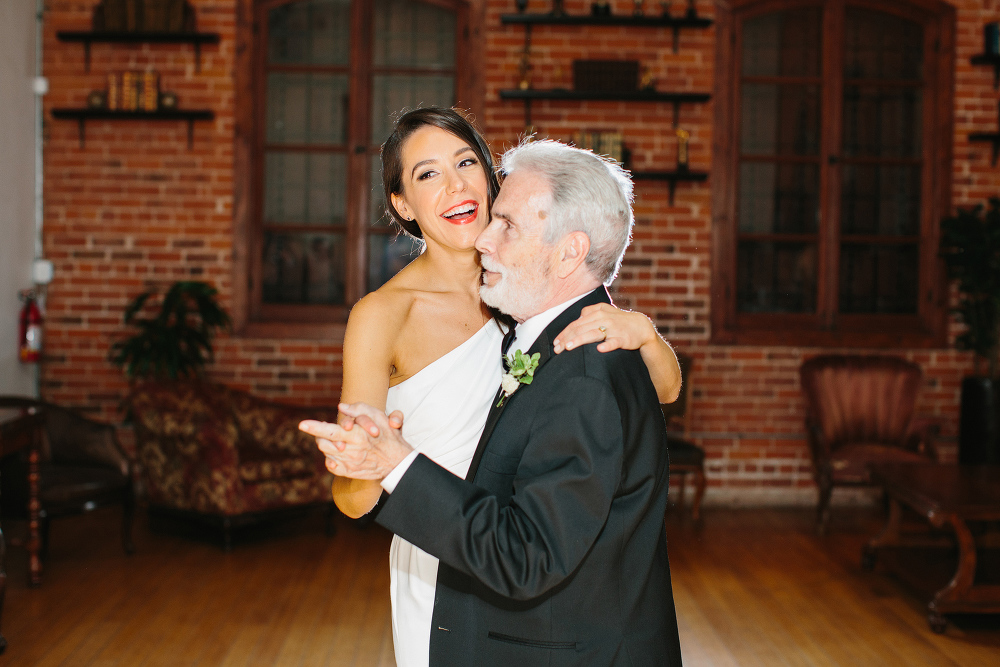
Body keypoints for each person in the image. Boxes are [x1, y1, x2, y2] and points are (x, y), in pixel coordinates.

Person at [303, 137, 683, 665]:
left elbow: (651, 393)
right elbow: (355, 496)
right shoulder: (405, 309)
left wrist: (646, 334)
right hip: (439, 538)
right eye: (427, 174)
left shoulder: (527, 300)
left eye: (465, 164)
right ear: (403, 204)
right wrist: (372, 462)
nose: (455, 185)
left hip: (515, 573)